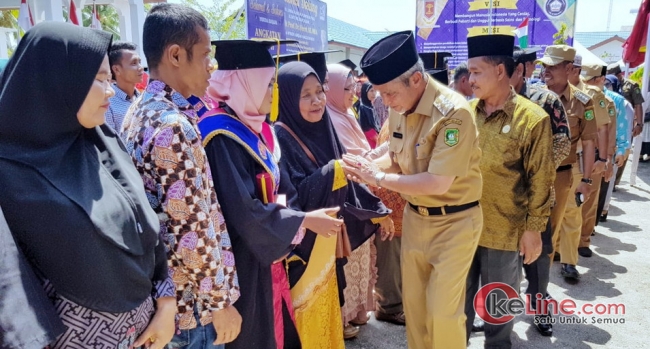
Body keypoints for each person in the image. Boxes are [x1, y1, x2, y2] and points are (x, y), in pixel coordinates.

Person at [0, 22, 174, 349]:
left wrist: (166, 304)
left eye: (109, 79)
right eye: (97, 79)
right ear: (53, 81)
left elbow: (147, 230)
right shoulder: (9, 172)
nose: (110, 91)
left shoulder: (102, 146)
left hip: (149, 333)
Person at [199, 39, 345, 349]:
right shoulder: (221, 135)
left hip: (270, 256)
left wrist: (288, 229)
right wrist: (300, 221)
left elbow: (282, 188)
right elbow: (243, 210)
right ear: (244, 85)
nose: (272, 93)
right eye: (267, 85)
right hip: (245, 264)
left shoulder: (256, 129)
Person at [345, 30, 483, 349]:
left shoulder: (454, 114)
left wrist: (375, 177)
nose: (385, 101)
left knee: (443, 314)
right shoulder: (399, 106)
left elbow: (437, 182)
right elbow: (394, 156)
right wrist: (369, 160)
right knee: (417, 311)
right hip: (415, 219)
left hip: (454, 223)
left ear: (417, 79)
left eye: (390, 93)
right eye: (380, 94)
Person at [120, 4, 241, 348]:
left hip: (168, 298)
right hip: (192, 310)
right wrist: (220, 304)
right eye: (204, 55)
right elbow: (190, 229)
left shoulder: (140, 111)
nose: (210, 67)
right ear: (175, 55)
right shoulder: (173, 127)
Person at [274, 61, 392, 346]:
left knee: (328, 319)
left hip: (327, 248)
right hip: (303, 254)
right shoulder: (279, 137)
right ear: (289, 98)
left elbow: (350, 180)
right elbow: (292, 198)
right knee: (306, 323)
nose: (316, 101)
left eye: (319, 92)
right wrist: (333, 171)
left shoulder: (326, 128)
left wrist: (377, 212)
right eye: (306, 95)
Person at [463, 34, 554, 348]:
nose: (469, 79)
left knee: (498, 312)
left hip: (504, 231)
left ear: (499, 71)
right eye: (468, 72)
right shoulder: (463, 115)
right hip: (461, 227)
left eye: (476, 72)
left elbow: (541, 180)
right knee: (456, 307)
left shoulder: (532, 120)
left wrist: (533, 230)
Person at [326, 62, 392, 336]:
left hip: (363, 195)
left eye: (354, 87)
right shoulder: (329, 118)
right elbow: (348, 159)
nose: (353, 93)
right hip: (349, 199)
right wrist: (378, 159)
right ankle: (343, 318)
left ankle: (358, 311)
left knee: (362, 259)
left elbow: (362, 153)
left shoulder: (347, 114)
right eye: (347, 88)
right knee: (349, 262)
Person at [510, 46, 571, 337]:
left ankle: (538, 308)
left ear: (520, 70)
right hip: (497, 199)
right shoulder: (486, 103)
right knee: (497, 259)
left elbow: (562, 143)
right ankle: (499, 312)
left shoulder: (545, 100)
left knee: (537, 255)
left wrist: (533, 173)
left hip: (535, 195)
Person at [537, 45, 598, 281]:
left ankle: (568, 263)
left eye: (553, 65)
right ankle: (536, 273)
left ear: (570, 68)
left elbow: (590, 141)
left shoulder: (583, 102)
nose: (546, 70)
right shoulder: (534, 96)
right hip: (536, 172)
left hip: (567, 172)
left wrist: (587, 179)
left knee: (569, 218)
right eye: (545, 65)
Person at [580, 63, 627, 257]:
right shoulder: (577, 96)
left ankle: (583, 241)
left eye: (591, 80)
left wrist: (606, 159)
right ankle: (564, 243)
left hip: (596, 156)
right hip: (578, 154)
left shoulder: (606, 101)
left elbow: (610, 131)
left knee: (589, 200)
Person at [600, 75, 633, 221]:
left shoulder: (616, 100)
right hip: (591, 149)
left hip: (609, 149)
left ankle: (603, 211)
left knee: (607, 182)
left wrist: (622, 150)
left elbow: (622, 127)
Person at [105, 41, 144, 131]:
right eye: (134, 63)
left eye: (139, 62)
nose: (140, 67)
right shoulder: (107, 104)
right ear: (116, 69)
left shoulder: (143, 98)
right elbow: (111, 141)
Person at [354, 82, 381, 148]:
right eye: (371, 91)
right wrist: (377, 138)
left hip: (376, 138)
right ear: (365, 92)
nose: (374, 93)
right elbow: (365, 127)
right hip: (368, 141)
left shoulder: (370, 106)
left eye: (375, 91)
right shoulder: (362, 107)